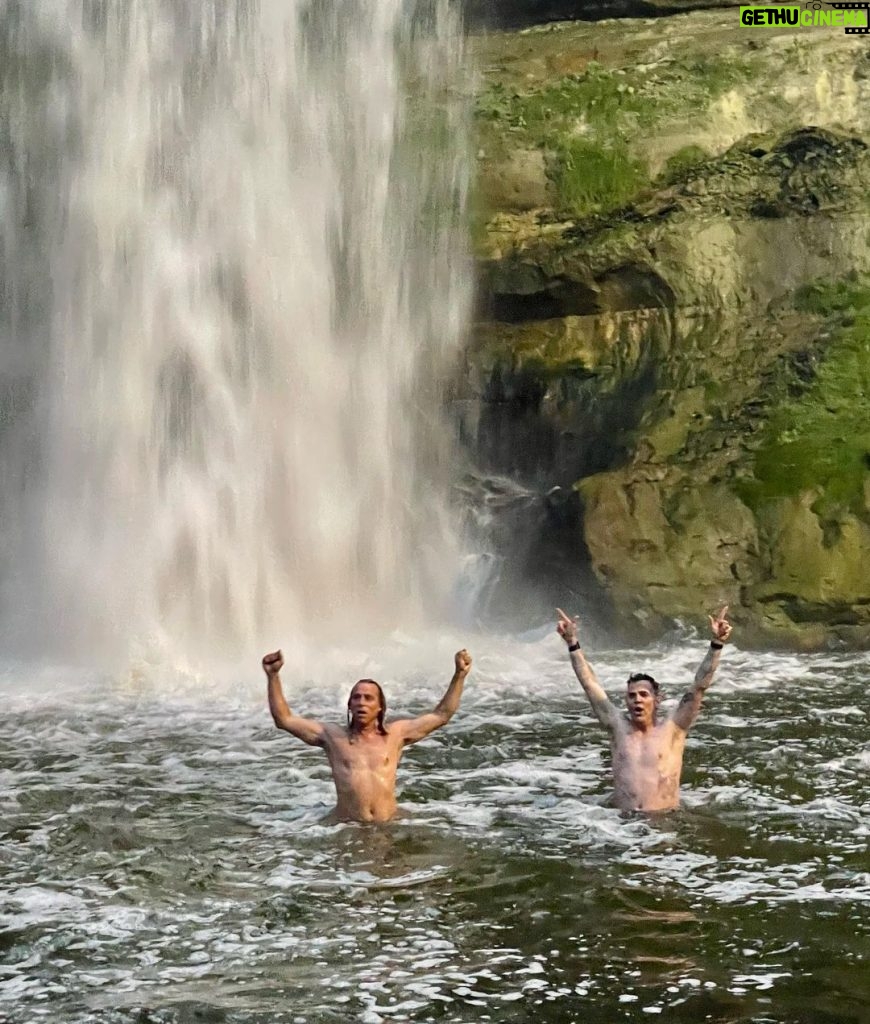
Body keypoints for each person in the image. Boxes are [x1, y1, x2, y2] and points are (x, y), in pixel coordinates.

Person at [262, 648, 472, 823]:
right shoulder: (333, 736)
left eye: (368, 698)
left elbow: (442, 714)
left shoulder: (395, 735)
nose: (362, 702)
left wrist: (459, 676)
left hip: (389, 824)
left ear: (380, 707)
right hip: (348, 828)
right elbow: (284, 719)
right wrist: (273, 676)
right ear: (350, 705)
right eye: (356, 698)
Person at [556, 606, 733, 812]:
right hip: (620, 827)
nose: (637, 700)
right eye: (631, 696)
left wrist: (717, 644)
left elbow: (700, 685)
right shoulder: (617, 727)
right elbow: (589, 684)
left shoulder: (674, 727)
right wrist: (572, 643)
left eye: (643, 695)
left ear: (657, 700)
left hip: (662, 823)